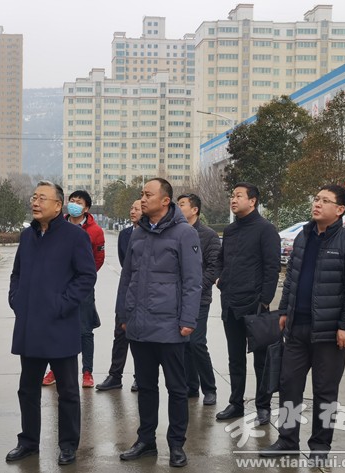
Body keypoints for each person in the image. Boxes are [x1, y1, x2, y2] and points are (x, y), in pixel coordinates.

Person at [260, 185, 345, 465]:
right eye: (316, 199)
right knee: (288, 386)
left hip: (329, 333)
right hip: (297, 328)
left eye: (325, 201)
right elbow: (292, 278)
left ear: (340, 209)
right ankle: (287, 441)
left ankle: (320, 446)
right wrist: (284, 310)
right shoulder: (303, 237)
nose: (317, 204)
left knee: (325, 392)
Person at [6, 181, 97, 466]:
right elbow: (17, 273)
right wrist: (16, 299)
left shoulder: (74, 236)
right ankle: (28, 442)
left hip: (60, 325)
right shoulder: (27, 236)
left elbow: (86, 276)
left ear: (58, 206)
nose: (35, 202)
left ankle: (68, 445)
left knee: (67, 391)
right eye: (34, 197)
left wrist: (62, 304)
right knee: (27, 388)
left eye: (42, 198)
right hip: (30, 325)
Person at [116, 178, 202, 468]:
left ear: (165, 200)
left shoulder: (185, 233)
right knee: (146, 387)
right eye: (141, 194)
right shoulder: (138, 232)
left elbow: (193, 281)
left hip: (170, 327)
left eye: (148, 194)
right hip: (139, 326)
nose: (142, 199)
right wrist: (123, 315)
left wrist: (188, 319)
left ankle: (176, 445)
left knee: (177, 389)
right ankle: (145, 440)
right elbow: (127, 277)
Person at [215, 182, 280, 426]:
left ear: (252, 201)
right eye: (232, 195)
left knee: (261, 359)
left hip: (254, 305)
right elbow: (220, 260)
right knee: (235, 358)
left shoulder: (266, 229)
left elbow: (272, 267)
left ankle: (263, 406)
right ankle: (236, 403)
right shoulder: (230, 230)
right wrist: (220, 279)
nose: (233, 199)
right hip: (230, 303)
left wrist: (264, 300)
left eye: (239, 196)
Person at [42, 190, 104, 388]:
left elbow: (98, 258)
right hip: (58, 286)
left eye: (79, 202)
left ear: (86, 208)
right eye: (72, 201)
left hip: (83, 288)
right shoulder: (56, 226)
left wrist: (83, 279)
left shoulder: (95, 231)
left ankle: (87, 372)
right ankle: (54, 370)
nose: (74, 204)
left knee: (85, 330)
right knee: (57, 328)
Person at [177, 193, 220, 406]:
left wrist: (195, 288)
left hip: (199, 298)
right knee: (184, 343)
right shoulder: (175, 232)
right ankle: (191, 386)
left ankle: (209, 388)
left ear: (194, 210)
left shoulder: (208, 235)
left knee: (197, 343)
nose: (178, 208)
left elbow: (214, 266)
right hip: (178, 298)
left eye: (182, 204)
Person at [96, 199, 142, 392]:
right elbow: (126, 264)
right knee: (120, 335)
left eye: (137, 208)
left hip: (145, 293)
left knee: (140, 339)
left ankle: (140, 376)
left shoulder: (152, 233)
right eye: (131, 208)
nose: (133, 211)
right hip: (126, 290)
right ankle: (115, 375)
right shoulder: (125, 234)